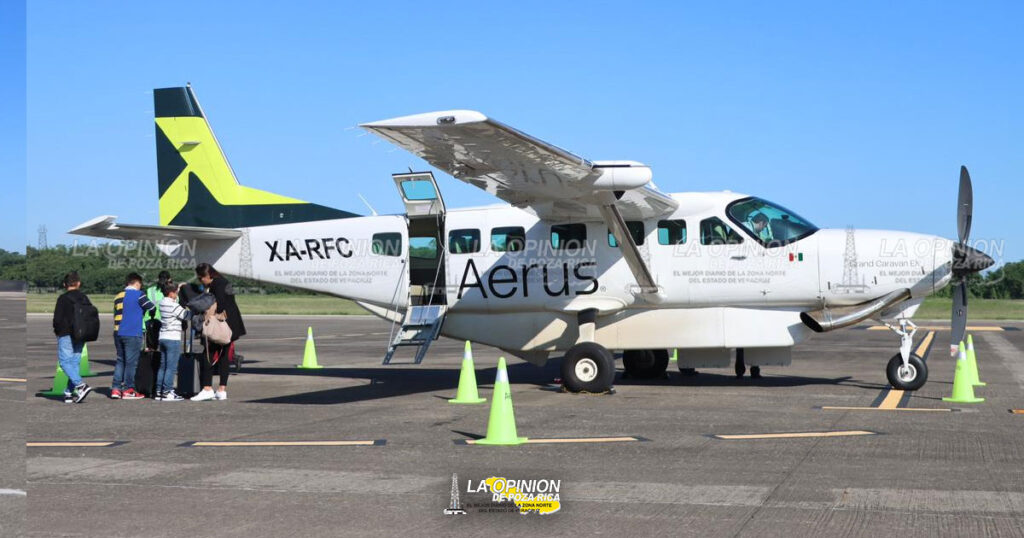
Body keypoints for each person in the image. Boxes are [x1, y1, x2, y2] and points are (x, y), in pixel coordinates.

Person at [191, 263, 246, 401]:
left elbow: (219, 305)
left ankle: (207, 388)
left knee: (207, 355)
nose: (201, 281)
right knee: (224, 357)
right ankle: (222, 390)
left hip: (220, 327)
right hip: (231, 326)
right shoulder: (224, 281)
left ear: (208, 275)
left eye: (201, 278)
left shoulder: (217, 285)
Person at [111, 272, 156, 400]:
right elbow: (152, 307)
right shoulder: (139, 295)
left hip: (117, 331)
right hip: (132, 332)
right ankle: (128, 389)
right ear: (137, 283)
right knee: (131, 363)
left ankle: (115, 389)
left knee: (120, 360)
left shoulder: (118, 296)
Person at [51, 272, 93, 403]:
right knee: (74, 363)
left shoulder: (63, 298)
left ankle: (81, 385)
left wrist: (57, 331)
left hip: (66, 333)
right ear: (78, 283)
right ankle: (69, 392)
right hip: (81, 334)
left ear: (65, 284)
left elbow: (57, 319)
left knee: (64, 362)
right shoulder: (84, 297)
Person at [156, 282, 189, 401]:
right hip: (172, 338)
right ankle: (168, 391)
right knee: (171, 367)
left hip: (163, 337)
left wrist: (178, 286)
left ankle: (159, 391)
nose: (177, 294)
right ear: (171, 293)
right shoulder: (174, 306)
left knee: (163, 366)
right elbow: (186, 315)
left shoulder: (163, 303)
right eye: (176, 292)